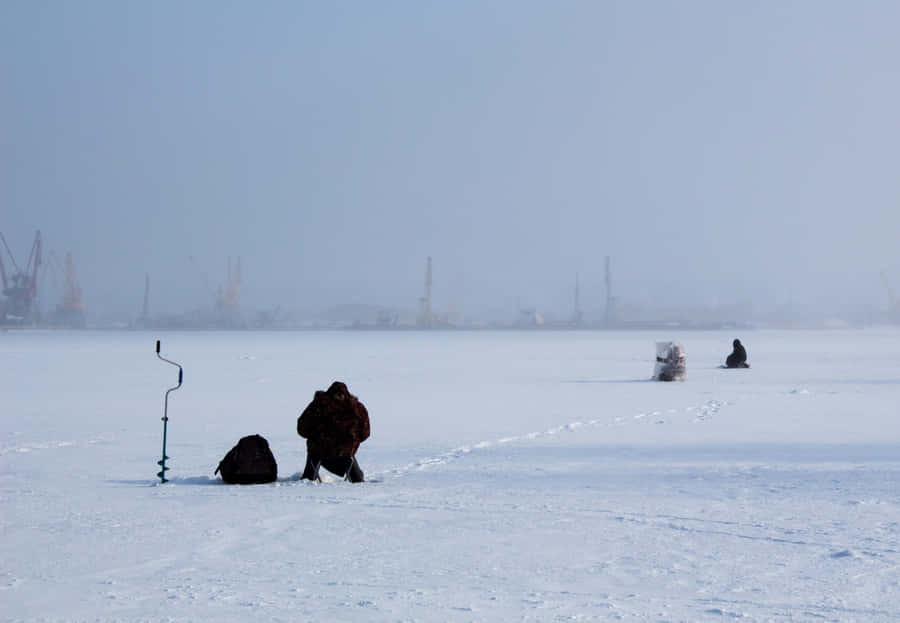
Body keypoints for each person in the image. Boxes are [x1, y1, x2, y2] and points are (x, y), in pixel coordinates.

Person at [297, 381, 369, 483]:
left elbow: (302, 428)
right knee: (348, 456)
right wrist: (353, 440)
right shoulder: (357, 408)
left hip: (319, 451)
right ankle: (356, 477)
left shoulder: (317, 405)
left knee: (315, 453)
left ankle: (309, 477)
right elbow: (365, 432)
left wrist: (316, 435)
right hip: (346, 452)